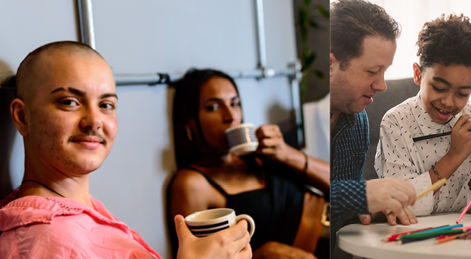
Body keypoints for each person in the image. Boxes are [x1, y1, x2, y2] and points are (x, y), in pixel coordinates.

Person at [0, 41, 252, 258]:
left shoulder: (80, 212)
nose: (94, 121)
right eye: (70, 102)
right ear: (22, 117)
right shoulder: (48, 237)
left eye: (106, 104)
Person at [167, 68, 329, 258]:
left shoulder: (261, 155)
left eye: (235, 104)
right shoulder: (192, 184)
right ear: (190, 125)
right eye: (213, 107)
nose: (230, 116)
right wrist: (263, 254)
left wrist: (288, 154)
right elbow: (199, 255)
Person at [375, 13, 471, 224]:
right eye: (439, 88)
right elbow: (400, 204)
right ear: (418, 74)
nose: (449, 102)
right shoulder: (396, 122)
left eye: (462, 93)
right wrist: (455, 156)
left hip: (465, 236)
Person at [329, 0, 417, 258]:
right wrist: (361, 194)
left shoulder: (358, 120)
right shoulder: (299, 117)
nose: (382, 85)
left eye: (385, 71)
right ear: (331, 64)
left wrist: (368, 207)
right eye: (373, 71)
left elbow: (338, 210)